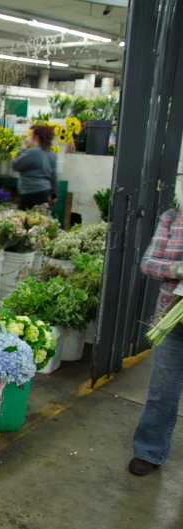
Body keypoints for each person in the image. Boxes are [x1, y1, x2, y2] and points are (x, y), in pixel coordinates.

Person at [129, 178, 183, 476]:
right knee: (162, 390)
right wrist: (176, 269)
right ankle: (149, 451)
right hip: (170, 317)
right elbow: (149, 263)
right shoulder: (171, 219)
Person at [12, 125, 58, 210]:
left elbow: (16, 165)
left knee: (25, 220)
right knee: (39, 220)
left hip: (30, 191)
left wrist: (23, 149)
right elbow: (54, 176)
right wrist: (53, 194)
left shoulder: (33, 152)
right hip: (45, 192)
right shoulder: (51, 154)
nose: (28, 138)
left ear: (36, 137)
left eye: (30, 135)